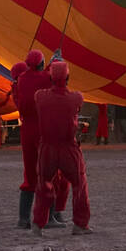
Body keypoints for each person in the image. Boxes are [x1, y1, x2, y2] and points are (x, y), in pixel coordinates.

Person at [32, 61, 91, 236]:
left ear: (50, 77)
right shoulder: (76, 98)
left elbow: (41, 88)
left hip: (47, 148)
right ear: (68, 78)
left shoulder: (40, 96)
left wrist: (50, 64)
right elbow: (77, 99)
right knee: (79, 184)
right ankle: (80, 225)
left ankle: (37, 225)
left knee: (43, 185)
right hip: (68, 148)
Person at [13, 50, 68, 229]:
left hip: (26, 131)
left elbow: (41, 76)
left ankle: (23, 219)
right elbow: (56, 80)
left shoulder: (21, 80)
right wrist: (57, 61)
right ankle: (49, 217)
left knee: (30, 175)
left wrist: (52, 62)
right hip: (43, 129)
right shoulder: (44, 78)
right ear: (40, 63)